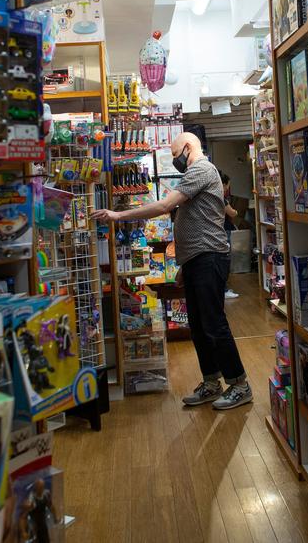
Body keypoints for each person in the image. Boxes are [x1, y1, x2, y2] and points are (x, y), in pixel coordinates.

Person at [92, 132, 252, 410]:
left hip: (209, 258)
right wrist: (184, 263)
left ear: (188, 148)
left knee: (214, 324)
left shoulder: (200, 169)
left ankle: (240, 384)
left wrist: (118, 215)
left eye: (176, 153)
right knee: (200, 327)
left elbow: (164, 205)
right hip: (196, 259)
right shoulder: (198, 173)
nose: (175, 160)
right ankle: (212, 382)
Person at [219, 171, 239, 299]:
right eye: (227, 185)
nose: (227, 188)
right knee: (224, 261)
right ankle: (224, 290)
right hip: (223, 231)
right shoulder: (220, 197)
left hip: (220, 231)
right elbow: (232, 213)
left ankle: (223, 289)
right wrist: (236, 211)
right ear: (223, 183)